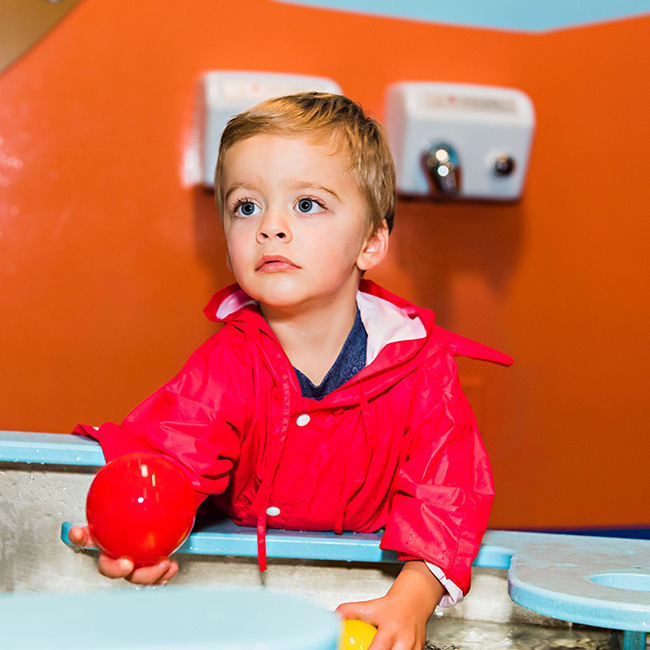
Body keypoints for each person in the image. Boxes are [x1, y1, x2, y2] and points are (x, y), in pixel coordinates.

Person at [69, 92, 512, 650]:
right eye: (246, 207)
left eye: (306, 205)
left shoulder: (420, 370)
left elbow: (447, 491)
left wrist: (415, 595)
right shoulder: (230, 361)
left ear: (371, 242)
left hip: (367, 588)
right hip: (251, 601)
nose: (270, 228)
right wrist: (140, 533)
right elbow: (175, 453)